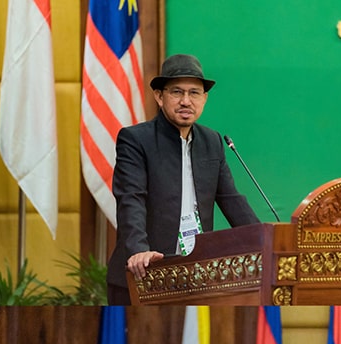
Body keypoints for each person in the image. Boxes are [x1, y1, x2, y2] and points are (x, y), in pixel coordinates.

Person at [106, 54, 261, 305]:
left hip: (194, 275)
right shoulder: (136, 140)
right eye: (177, 92)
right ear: (159, 96)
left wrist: (263, 241)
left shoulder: (212, 142)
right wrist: (139, 252)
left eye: (194, 93)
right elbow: (130, 200)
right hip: (144, 273)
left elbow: (232, 200)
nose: (186, 101)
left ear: (204, 99)